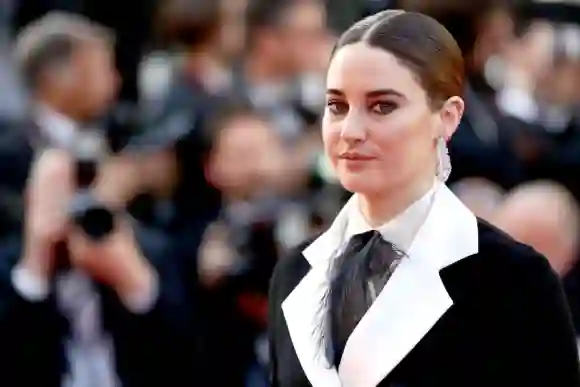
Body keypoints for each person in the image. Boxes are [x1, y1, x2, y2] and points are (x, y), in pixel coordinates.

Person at [267, 9, 580, 387]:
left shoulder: (515, 280)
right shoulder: (294, 273)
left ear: (446, 118)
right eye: (337, 106)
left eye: (382, 106)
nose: (350, 130)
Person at [0, 12, 195, 387]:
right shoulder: (9, 156)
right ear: (63, 75)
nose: (116, 82)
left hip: (123, 342)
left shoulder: (125, 138)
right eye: (104, 68)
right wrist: (37, 252)